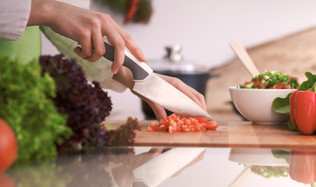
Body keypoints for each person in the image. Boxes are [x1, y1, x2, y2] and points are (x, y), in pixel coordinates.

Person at [0, 0, 208, 120]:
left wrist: (128, 72)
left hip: (25, 103)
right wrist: (46, 9)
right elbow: (51, 11)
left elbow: (67, 26)